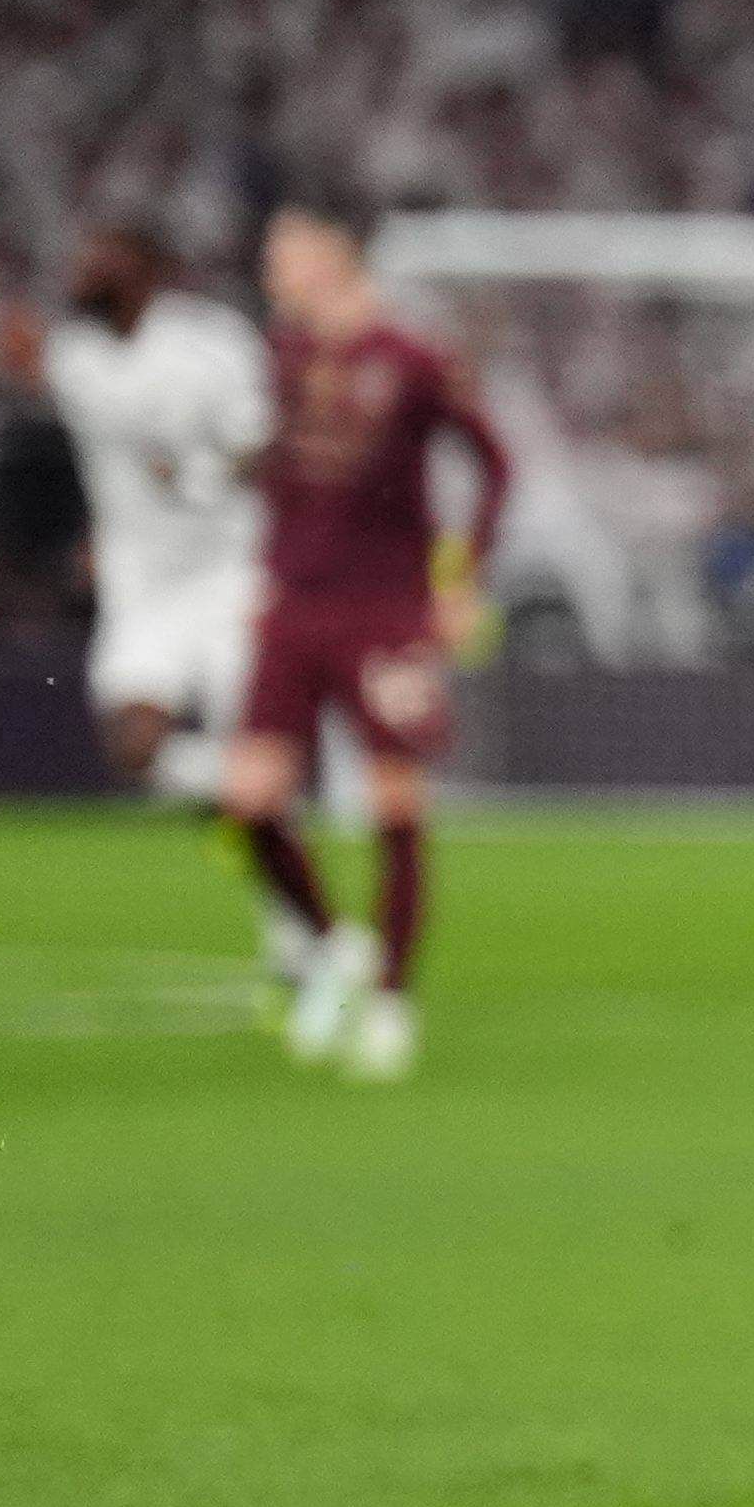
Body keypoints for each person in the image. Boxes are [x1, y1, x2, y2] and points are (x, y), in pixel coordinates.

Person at [224, 203, 510, 1082]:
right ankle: (332, 941)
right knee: (247, 800)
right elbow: (285, 472)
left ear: (333, 255)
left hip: (385, 612)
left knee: (394, 802)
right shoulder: (286, 356)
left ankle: (390, 999)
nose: (273, 262)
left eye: (286, 247)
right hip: (294, 607)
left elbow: (494, 464)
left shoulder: (413, 359)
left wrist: (461, 579)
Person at [42, 225, 298, 986]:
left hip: (232, 575)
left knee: (251, 758)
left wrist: (199, 478)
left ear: (146, 268)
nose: (83, 266)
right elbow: (124, 438)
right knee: (136, 750)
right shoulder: (73, 356)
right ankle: (245, 800)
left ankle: (294, 928)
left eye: (101, 253)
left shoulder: (215, 343)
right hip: (144, 587)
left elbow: (265, 447)